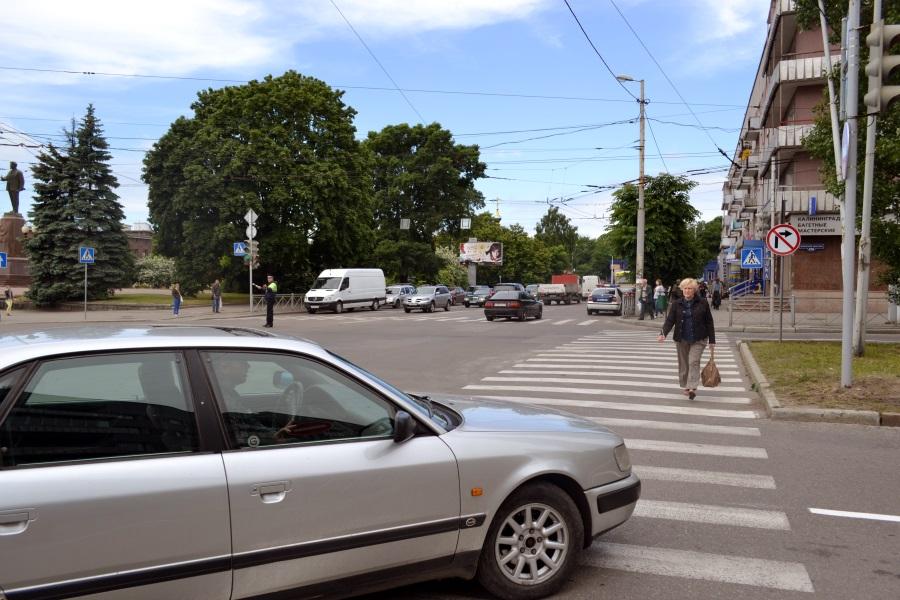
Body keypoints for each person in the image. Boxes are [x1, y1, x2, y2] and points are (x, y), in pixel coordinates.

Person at [657, 278, 716, 400]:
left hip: (699, 338)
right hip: (682, 338)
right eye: (685, 288)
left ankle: (692, 387)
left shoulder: (703, 303)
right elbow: (670, 321)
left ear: (694, 290)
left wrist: (712, 340)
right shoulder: (676, 304)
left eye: (690, 288)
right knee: (684, 364)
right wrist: (663, 333)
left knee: (693, 361)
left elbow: (709, 322)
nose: (687, 291)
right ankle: (685, 385)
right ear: (682, 290)